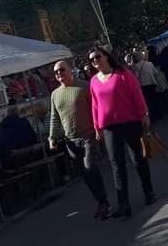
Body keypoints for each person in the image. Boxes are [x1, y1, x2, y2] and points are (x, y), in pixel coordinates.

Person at [87, 46, 154, 220]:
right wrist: (97, 127)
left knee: (137, 158)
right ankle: (123, 203)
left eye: (97, 57)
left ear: (107, 57)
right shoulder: (94, 81)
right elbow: (95, 105)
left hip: (130, 121)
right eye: (92, 60)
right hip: (109, 127)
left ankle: (148, 191)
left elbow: (136, 94)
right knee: (117, 164)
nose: (95, 61)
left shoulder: (123, 74)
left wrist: (144, 113)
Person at [48, 61, 111, 220]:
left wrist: (99, 128)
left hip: (88, 135)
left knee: (90, 167)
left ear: (71, 71)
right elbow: (55, 118)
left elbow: (96, 108)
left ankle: (104, 202)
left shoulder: (83, 86)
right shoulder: (55, 94)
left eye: (62, 70)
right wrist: (52, 137)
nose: (59, 74)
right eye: (56, 72)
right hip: (71, 140)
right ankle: (100, 201)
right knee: (84, 173)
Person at [131, 51, 165, 121]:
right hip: (152, 83)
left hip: (143, 85)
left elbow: (136, 77)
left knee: (148, 102)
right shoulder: (150, 63)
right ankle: (159, 114)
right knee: (155, 99)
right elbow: (155, 72)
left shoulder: (136, 66)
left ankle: (152, 116)